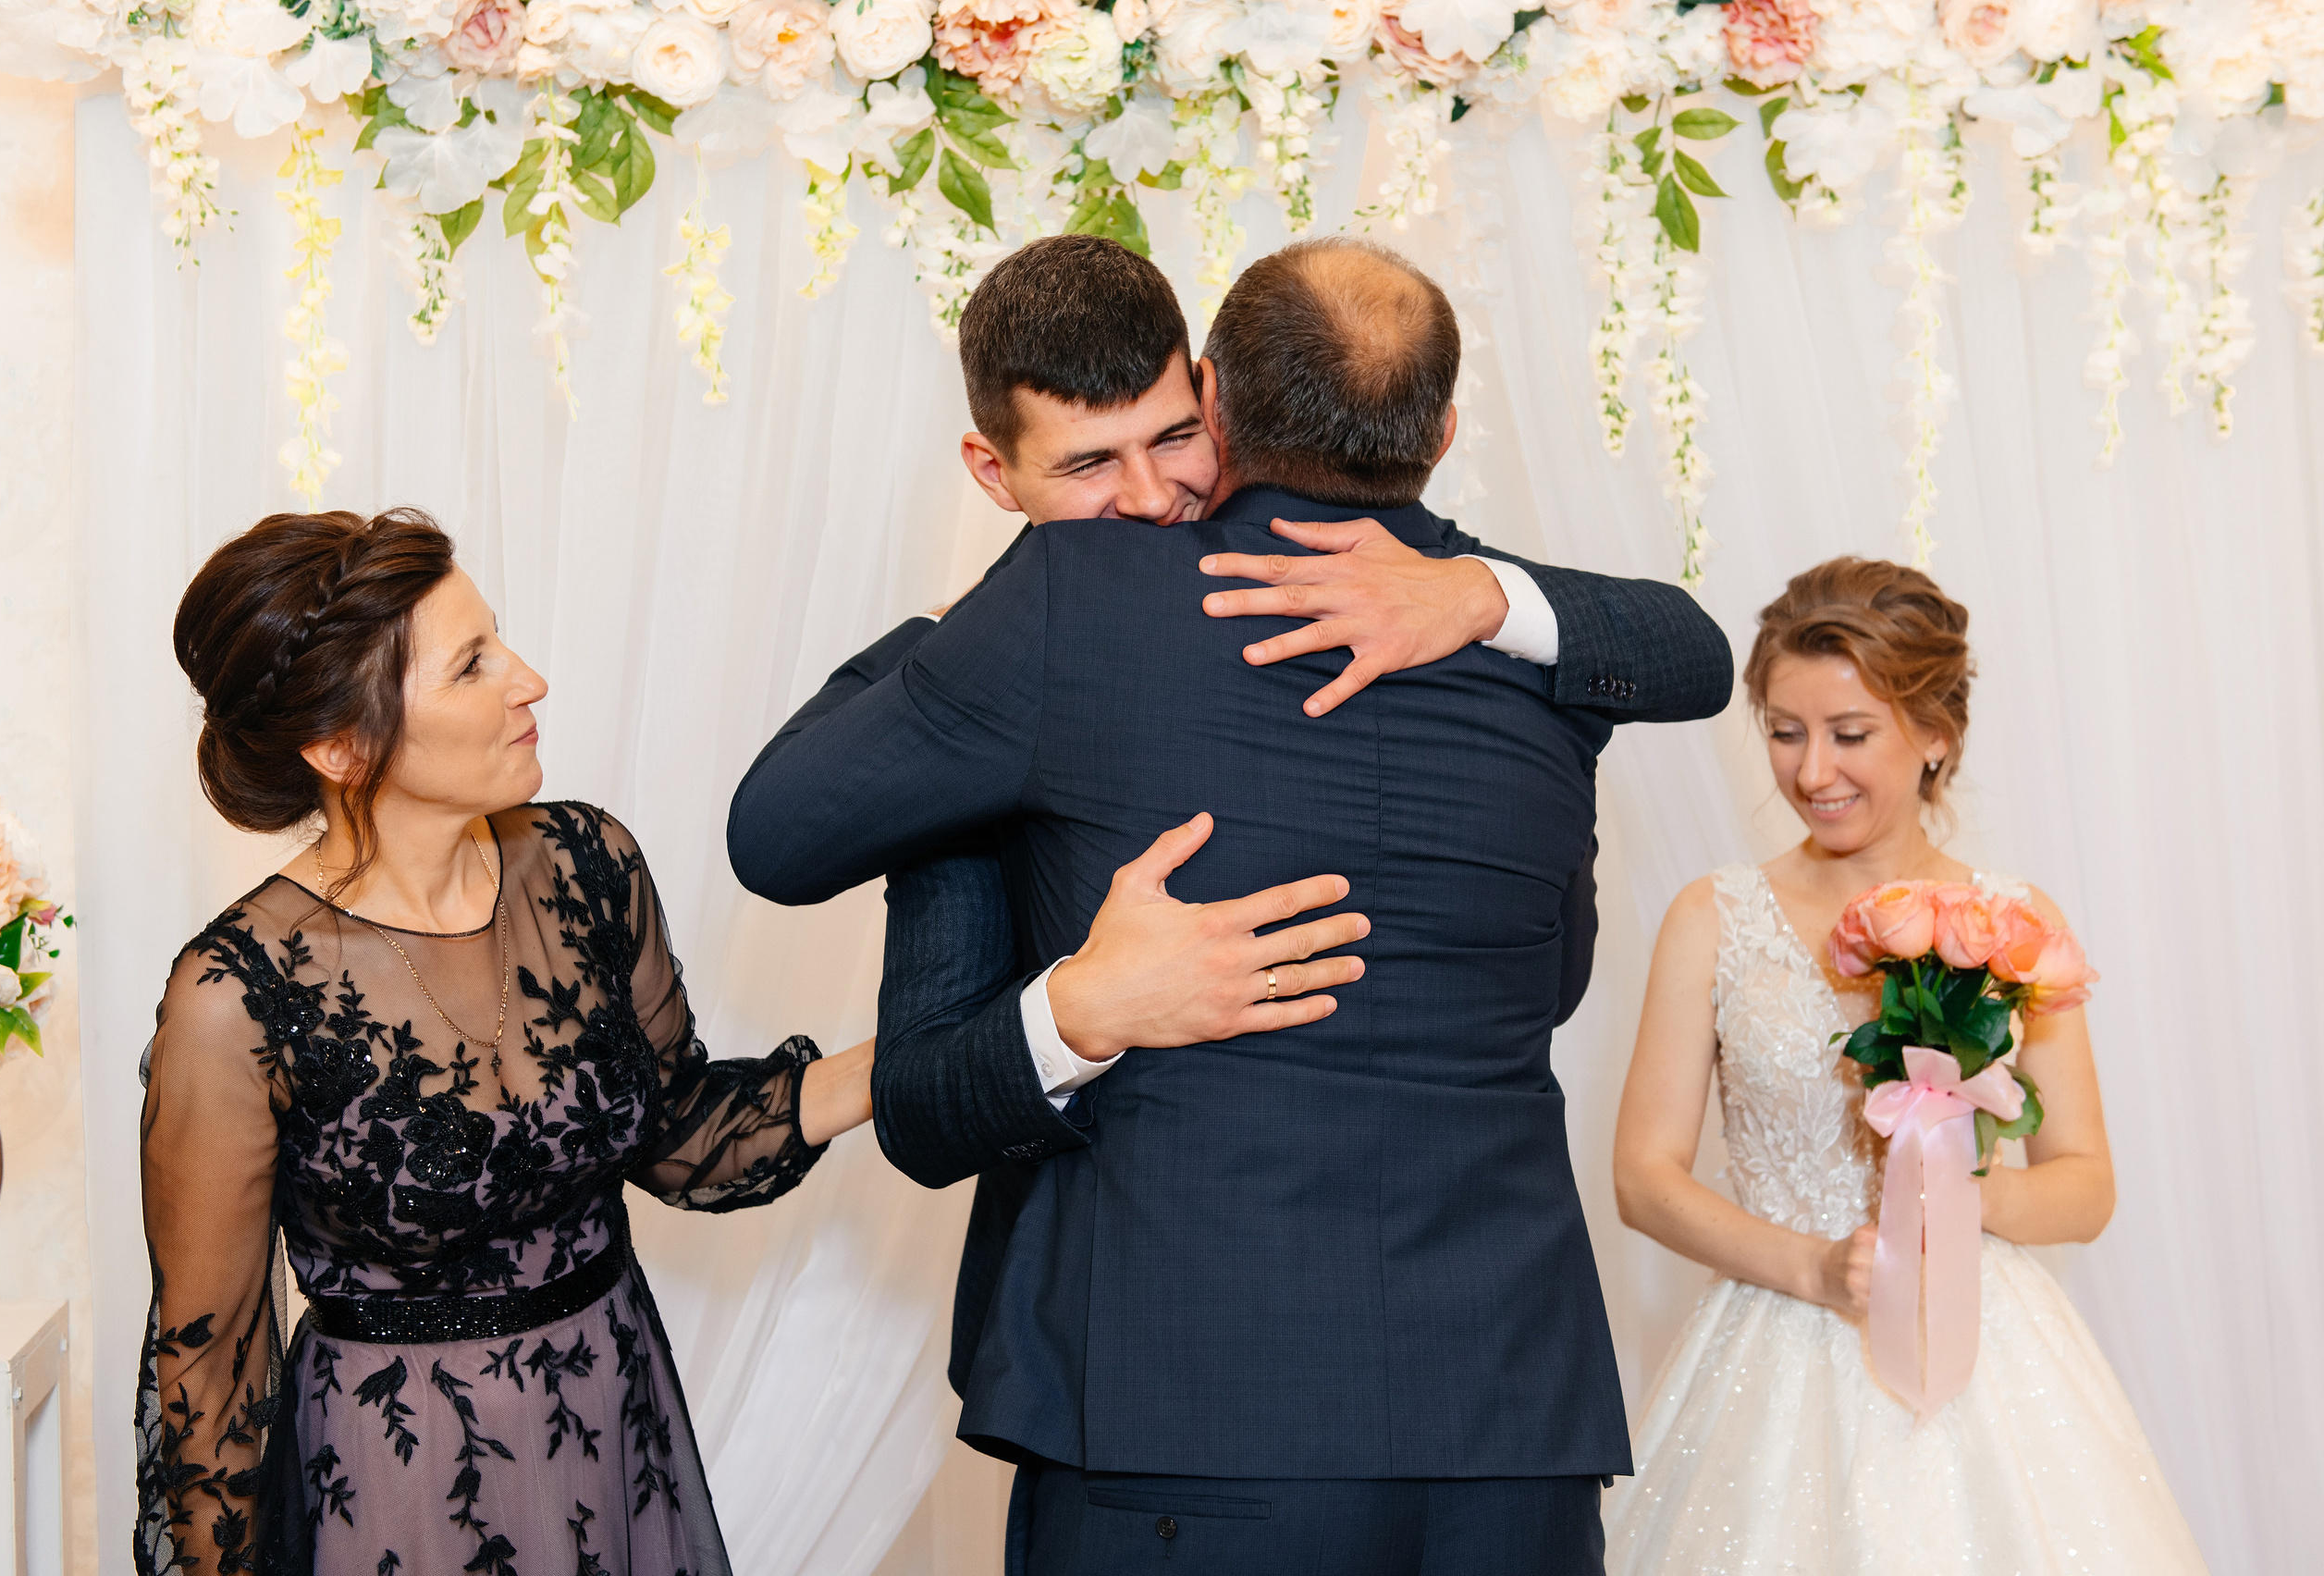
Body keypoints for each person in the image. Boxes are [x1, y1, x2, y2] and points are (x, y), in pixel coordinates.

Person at [731, 236, 1735, 1573]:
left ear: (1216, 399)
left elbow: (777, 835)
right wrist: (1494, 595)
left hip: (1188, 1417)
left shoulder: (1068, 597)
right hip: (1512, 1431)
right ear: (1442, 428)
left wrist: (964, 629)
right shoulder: (1539, 651)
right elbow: (1549, 976)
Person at [138, 510, 876, 1576]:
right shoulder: (234, 996)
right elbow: (211, 1378)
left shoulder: (586, 863)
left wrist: (932, 1054)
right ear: (343, 746)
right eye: (473, 665)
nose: (528, 680)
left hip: (616, 1436)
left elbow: (678, 1138)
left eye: (502, 642)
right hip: (397, 1487)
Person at [1606, 558, 2207, 1573]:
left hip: (1980, 1350)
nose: (1810, 772)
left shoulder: (2015, 923)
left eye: (1849, 735)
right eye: (1785, 733)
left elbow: (2085, 1185)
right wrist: (1810, 1267)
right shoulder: (1712, 919)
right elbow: (1643, 1178)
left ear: (1936, 735)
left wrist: (1961, 1205)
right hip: (1776, 1339)